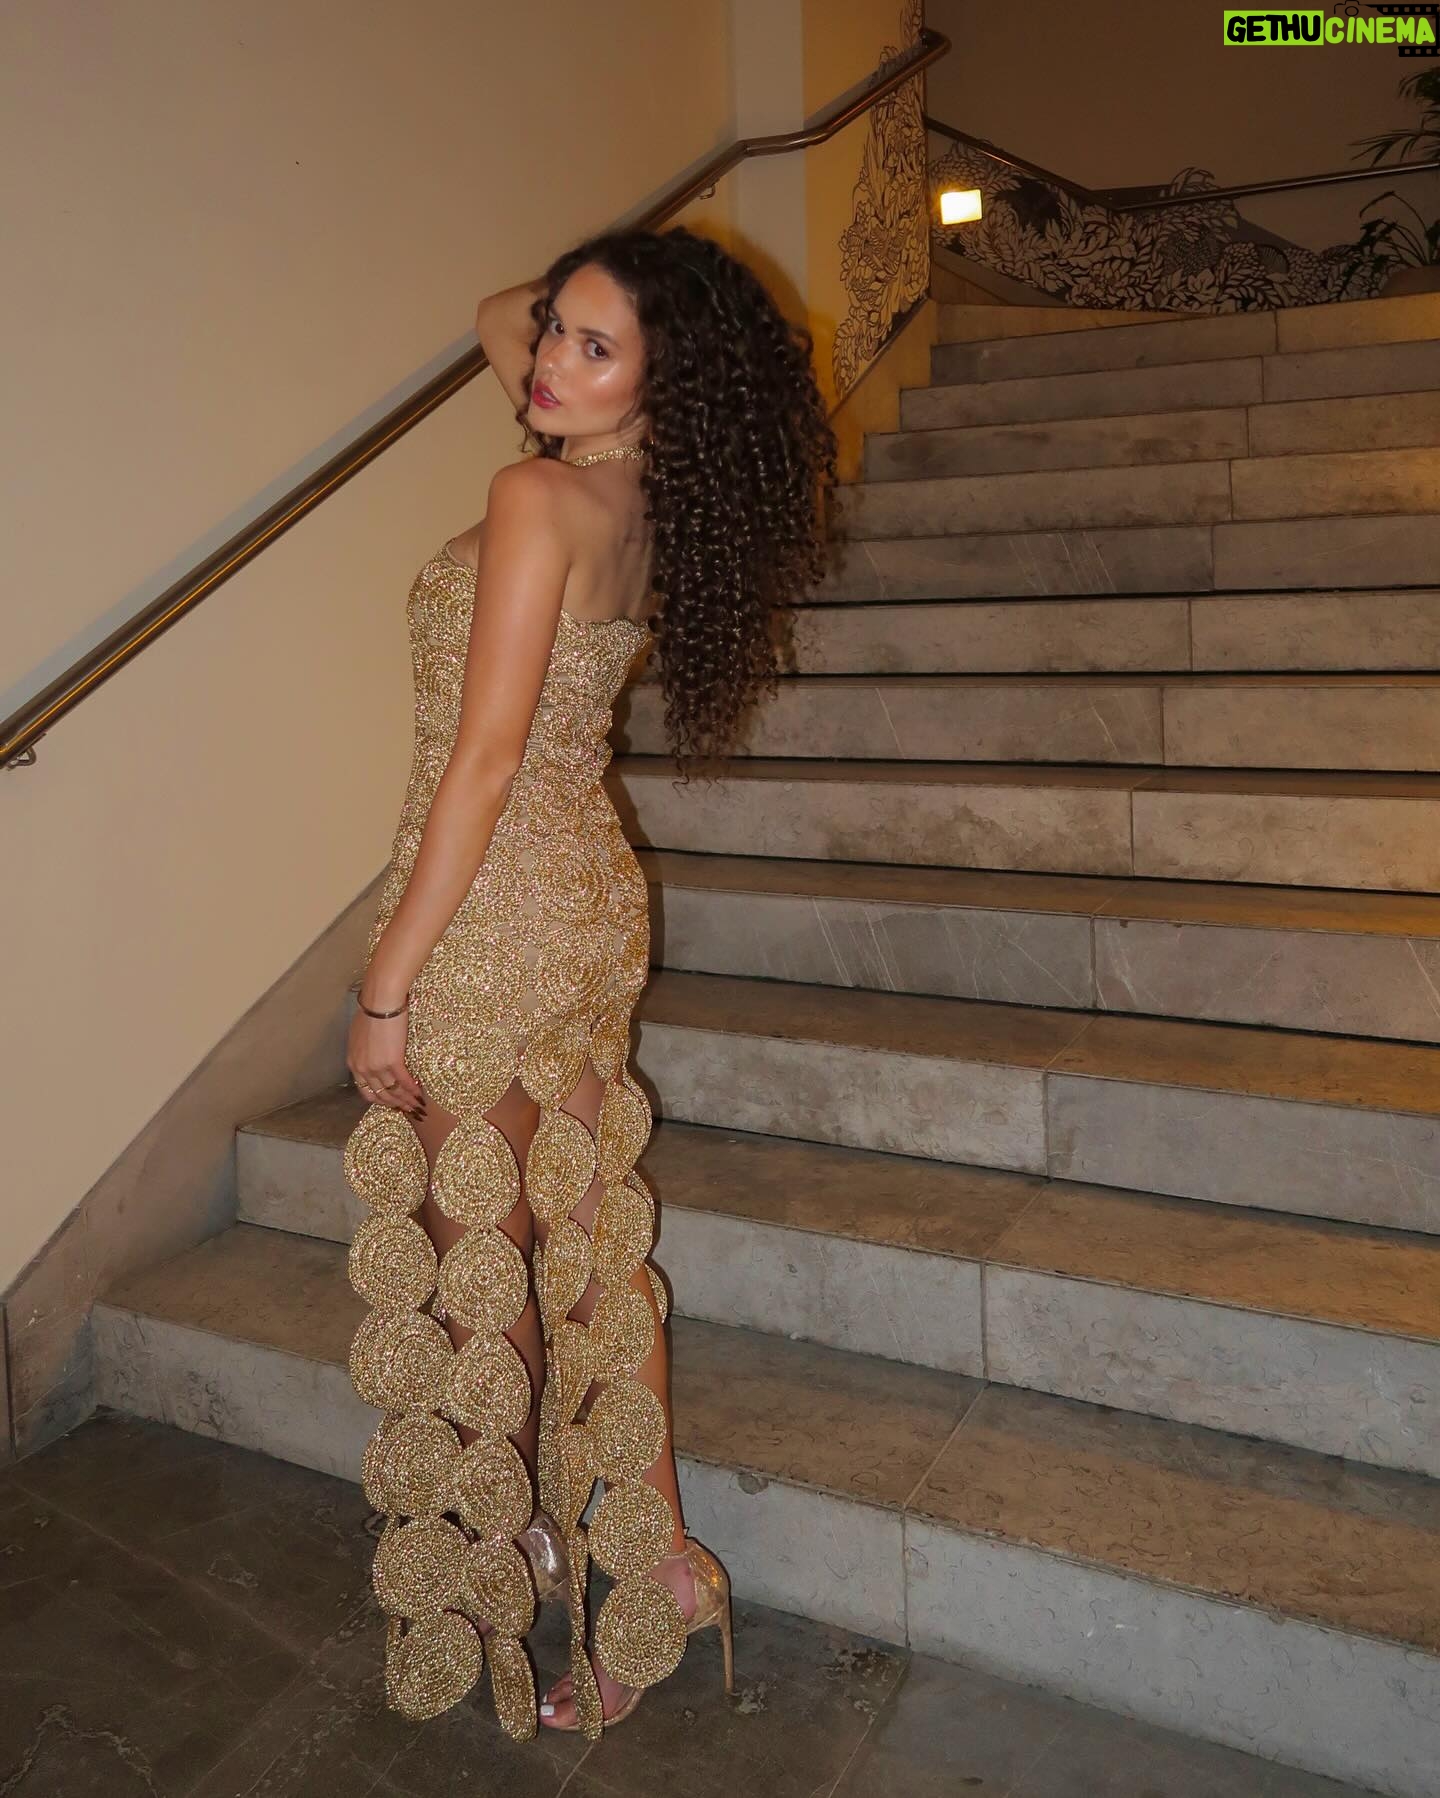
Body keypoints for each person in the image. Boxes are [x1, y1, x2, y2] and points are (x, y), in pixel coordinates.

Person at [342, 223, 838, 1743]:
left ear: (661, 380)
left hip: (495, 912)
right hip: (586, 905)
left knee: (483, 1264)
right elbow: (498, 309)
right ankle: (660, 1563)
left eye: (592, 345)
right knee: (593, 1249)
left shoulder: (535, 493)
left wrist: (385, 983)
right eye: (557, 330)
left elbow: (484, 763)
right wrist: (613, 302)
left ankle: (527, 1558)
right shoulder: (646, 497)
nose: (547, 357)